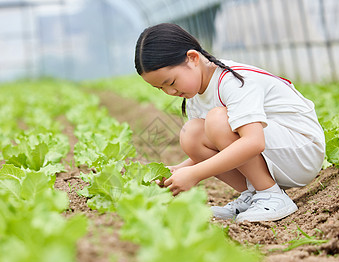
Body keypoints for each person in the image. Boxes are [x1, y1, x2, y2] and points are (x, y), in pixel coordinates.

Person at [134, 23, 325, 222]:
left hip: (301, 150)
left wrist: (195, 174)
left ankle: (272, 195)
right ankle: (255, 195)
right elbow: (218, 146)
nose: (170, 92)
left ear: (192, 58)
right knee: (191, 135)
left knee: (217, 120)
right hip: (277, 153)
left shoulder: (232, 80)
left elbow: (254, 142)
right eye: (160, 88)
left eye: (171, 82)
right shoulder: (194, 97)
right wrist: (179, 170)